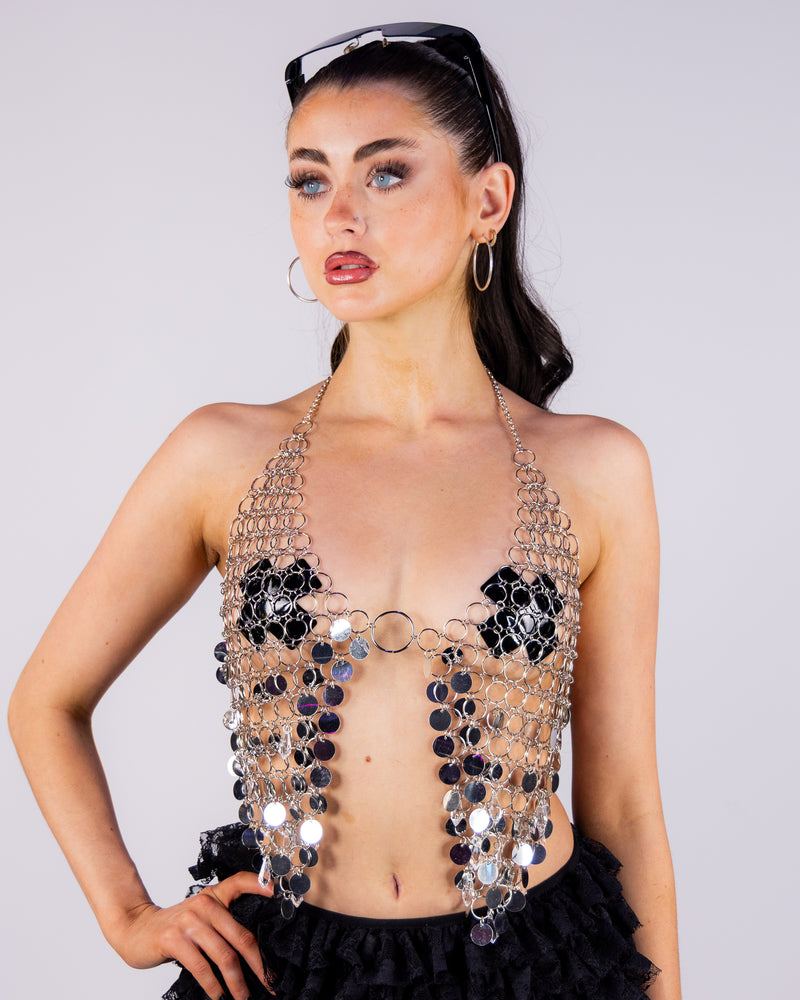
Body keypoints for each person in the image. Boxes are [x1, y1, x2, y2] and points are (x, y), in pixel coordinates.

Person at [8, 22, 680, 1000]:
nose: (338, 216)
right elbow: (45, 702)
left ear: (487, 201)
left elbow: (623, 804)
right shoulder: (222, 454)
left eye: (386, 173)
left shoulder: (593, 467)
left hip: (535, 967)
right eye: (309, 180)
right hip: (289, 970)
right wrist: (127, 914)